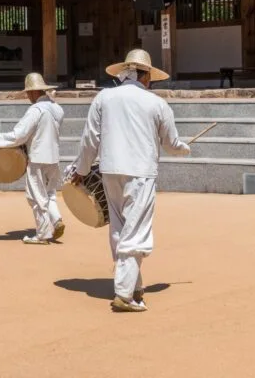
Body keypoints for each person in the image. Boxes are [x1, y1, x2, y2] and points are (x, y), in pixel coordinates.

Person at [68, 49, 190, 312]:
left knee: (120, 229)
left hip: (110, 171)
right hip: (141, 172)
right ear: (146, 77)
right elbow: (171, 143)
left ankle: (134, 286)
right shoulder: (156, 103)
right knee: (136, 232)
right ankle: (124, 294)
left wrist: (82, 169)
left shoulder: (104, 97)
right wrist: (185, 148)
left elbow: (89, 139)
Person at [0, 73, 65, 245]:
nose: (28, 96)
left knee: (35, 195)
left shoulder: (36, 110)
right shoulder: (57, 109)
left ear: (34, 92)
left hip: (38, 156)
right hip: (54, 157)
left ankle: (43, 233)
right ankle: (56, 218)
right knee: (49, 193)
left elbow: (19, 135)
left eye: (29, 93)